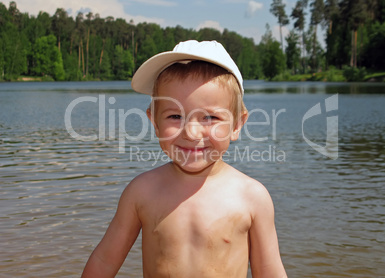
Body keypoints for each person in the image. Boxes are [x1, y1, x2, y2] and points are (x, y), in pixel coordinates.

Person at [82, 40, 287, 277]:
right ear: (154, 122)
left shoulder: (252, 197)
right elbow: (105, 261)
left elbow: (269, 270)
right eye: (175, 116)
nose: (191, 133)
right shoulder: (142, 192)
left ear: (237, 124)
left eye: (210, 117)